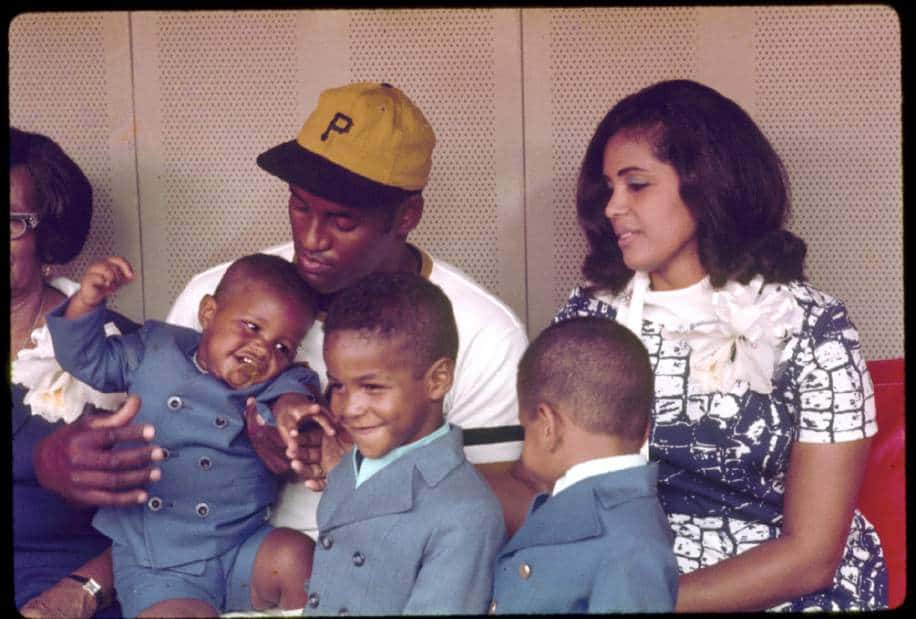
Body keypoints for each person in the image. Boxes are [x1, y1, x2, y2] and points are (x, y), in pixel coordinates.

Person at [550, 79, 887, 611]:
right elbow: (551, 478)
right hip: (628, 560)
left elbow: (812, 554)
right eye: (608, 187)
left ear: (707, 184)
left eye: (636, 184)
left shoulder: (814, 327)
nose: (613, 206)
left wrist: (643, 602)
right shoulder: (591, 314)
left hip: (778, 581)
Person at [162, 81, 528, 538]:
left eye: (342, 221)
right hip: (224, 574)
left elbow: (506, 517)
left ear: (407, 216)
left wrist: (378, 458)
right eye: (300, 206)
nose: (312, 239)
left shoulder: (483, 332)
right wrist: (239, 441)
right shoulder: (221, 296)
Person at [45, 252, 331, 617]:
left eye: (282, 347)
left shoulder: (276, 382)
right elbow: (86, 360)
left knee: (297, 556)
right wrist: (87, 303)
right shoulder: (155, 349)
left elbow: (296, 389)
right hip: (158, 561)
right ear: (208, 313)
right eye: (252, 327)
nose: (262, 350)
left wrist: (291, 408)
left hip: (241, 545)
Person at [298, 272, 505, 615]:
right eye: (337, 386)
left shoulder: (465, 514)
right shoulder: (347, 467)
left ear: (437, 380)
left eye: (373, 388)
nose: (347, 409)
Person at [11, 126, 136, 618]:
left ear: (49, 234)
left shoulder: (116, 352)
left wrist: (85, 589)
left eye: (12, 222)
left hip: (62, 593)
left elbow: (181, 512)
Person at [490, 317, 678, 614]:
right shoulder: (601, 511)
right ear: (646, 429)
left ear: (547, 425)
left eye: (525, 429)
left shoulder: (631, 549)